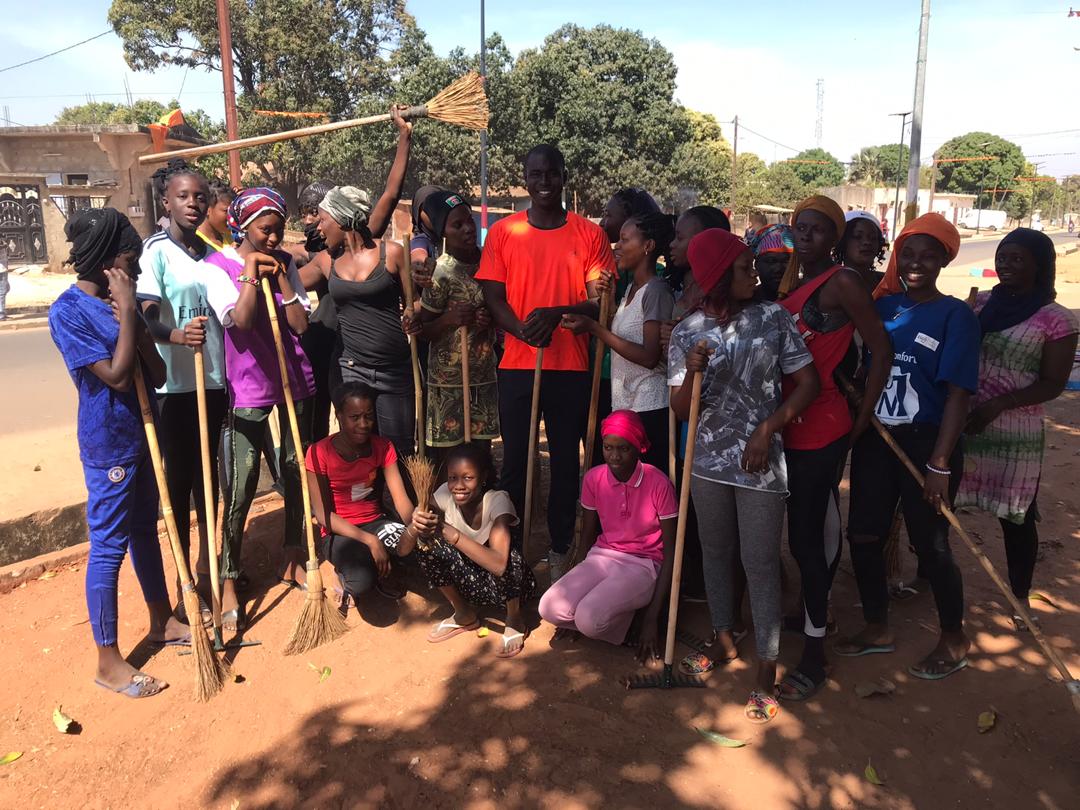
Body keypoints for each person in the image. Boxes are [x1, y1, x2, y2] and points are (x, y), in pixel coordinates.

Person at [668, 228, 818, 724]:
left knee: (759, 563)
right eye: (741, 266)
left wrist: (768, 428)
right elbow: (680, 410)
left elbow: (808, 383)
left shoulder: (773, 318)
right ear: (715, 276)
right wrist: (692, 373)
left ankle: (766, 671)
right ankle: (724, 637)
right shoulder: (687, 331)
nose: (753, 271)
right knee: (715, 552)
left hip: (760, 465)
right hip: (707, 463)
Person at [49, 207, 188, 698]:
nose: (137, 269)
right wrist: (128, 312)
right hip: (108, 444)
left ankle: (161, 621)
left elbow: (156, 375)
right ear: (107, 260)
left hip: (142, 434)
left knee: (145, 532)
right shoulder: (67, 312)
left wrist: (136, 322)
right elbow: (114, 374)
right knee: (109, 546)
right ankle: (108, 661)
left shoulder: (117, 300)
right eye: (130, 258)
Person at [837, 214, 981, 682]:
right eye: (909, 253)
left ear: (943, 259)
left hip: (927, 443)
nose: (917, 263)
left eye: (929, 254)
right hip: (879, 437)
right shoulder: (883, 307)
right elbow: (860, 362)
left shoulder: (955, 315)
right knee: (863, 533)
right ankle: (877, 625)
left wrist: (940, 463)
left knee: (932, 544)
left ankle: (953, 636)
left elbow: (959, 392)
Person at [772, 195, 892, 703]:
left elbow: (880, 349)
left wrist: (862, 417)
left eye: (819, 229)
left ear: (836, 237)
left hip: (822, 427)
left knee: (806, 536)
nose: (806, 235)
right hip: (787, 425)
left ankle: (816, 654)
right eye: (801, 227)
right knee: (799, 535)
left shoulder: (842, 282)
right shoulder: (792, 286)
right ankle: (810, 617)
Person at [477, 144, 614, 580]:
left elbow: (599, 303)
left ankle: (559, 548)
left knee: (564, 462)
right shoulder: (503, 232)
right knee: (515, 459)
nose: (543, 183)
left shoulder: (589, 235)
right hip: (518, 363)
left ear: (563, 177)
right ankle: (510, 549)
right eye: (535, 174)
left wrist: (555, 315)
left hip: (570, 366)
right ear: (525, 177)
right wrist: (521, 331)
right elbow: (493, 297)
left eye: (551, 174)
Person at [202, 187, 314, 630]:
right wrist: (250, 272)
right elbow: (243, 322)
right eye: (266, 230)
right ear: (243, 227)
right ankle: (228, 576)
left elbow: (300, 324)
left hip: (294, 383)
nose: (273, 238)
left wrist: (283, 277)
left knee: (293, 469)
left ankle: (292, 555)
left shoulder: (287, 264)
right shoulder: (217, 268)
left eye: (279, 230)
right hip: (247, 388)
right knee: (242, 481)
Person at [957, 229, 1079, 629]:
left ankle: (1020, 597)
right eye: (1002, 257)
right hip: (963, 423)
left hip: (1015, 434)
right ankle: (927, 575)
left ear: (1039, 264)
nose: (1007, 265)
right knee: (942, 502)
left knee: (1016, 518)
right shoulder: (981, 303)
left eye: (1017, 259)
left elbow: (1053, 382)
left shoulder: (1057, 320)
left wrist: (998, 404)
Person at [136, 163, 225, 622]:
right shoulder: (155, 253)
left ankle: (209, 572)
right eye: (184, 197)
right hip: (174, 388)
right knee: (178, 487)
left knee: (208, 487)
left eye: (199, 197)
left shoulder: (211, 251)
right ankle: (184, 584)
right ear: (167, 203)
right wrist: (176, 337)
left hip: (212, 383)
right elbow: (146, 317)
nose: (193, 204)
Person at [312, 107, 416, 454]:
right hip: (352, 369)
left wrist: (404, 136)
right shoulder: (326, 260)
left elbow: (390, 191)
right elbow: (289, 279)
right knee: (360, 452)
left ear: (342, 220)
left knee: (399, 449)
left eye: (323, 219)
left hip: (394, 371)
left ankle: (403, 509)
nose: (317, 226)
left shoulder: (392, 253)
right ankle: (367, 510)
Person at [538, 410, 678, 657]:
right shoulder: (594, 478)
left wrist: (651, 619)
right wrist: (572, 603)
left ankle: (631, 617)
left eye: (624, 448)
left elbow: (672, 552)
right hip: (602, 557)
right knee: (549, 608)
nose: (615, 456)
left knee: (589, 620)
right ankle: (603, 615)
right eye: (608, 447)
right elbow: (587, 537)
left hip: (643, 566)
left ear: (638, 447)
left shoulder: (658, 482)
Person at [562, 212, 675, 470]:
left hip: (649, 406)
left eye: (625, 240)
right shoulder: (630, 290)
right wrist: (611, 303)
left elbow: (649, 356)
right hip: (627, 403)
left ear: (648, 246)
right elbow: (624, 335)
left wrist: (594, 328)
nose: (617, 247)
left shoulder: (656, 291)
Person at [408, 443, 536, 656]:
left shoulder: (497, 501)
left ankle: (514, 619)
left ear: (484, 477)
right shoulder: (442, 496)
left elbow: (498, 565)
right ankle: (463, 613)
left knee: (509, 557)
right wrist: (415, 523)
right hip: (470, 586)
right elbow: (404, 549)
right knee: (426, 544)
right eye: (452, 478)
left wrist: (450, 532)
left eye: (468, 478)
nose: (459, 485)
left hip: (510, 588)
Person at [306, 382, 419, 607]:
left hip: (376, 522)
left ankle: (382, 564)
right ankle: (347, 571)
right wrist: (370, 541)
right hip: (340, 533)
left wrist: (415, 526)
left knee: (417, 552)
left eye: (368, 416)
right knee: (361, 581)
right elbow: (322, 515)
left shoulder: (383, 447)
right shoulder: (318, 453)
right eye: (354, 417)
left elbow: (401, 499)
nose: (363, 424)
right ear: (339, 416)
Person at [409, 191, 498, 456]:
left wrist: (488, 319)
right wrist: (449, 319)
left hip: (482, 378)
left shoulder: (491, 263)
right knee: (446, 457)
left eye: (469, 220)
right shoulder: (441, 272)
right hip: (448, 383)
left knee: (480, 455)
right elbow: (422, 329)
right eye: (457, 225)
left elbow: (500, 309)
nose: (468, 228)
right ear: (443, 232)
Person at [296, 179, 339, 442]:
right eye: (305, 213)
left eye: (315, 212)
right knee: (316, 413)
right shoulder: (311, 251)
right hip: (321, 340)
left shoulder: (335, 251)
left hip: (345, 341)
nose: (309, 220)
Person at [836, 211, 888, 291]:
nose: (867, 242)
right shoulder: (830, 284)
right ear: (843, 241)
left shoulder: (887, 283)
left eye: (873, 237)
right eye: (858, 236)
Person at [748, 223, 794, 302]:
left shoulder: (808, 299)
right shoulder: (745, 302)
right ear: (756, 264)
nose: (778, 268)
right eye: (770, 261)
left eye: (787, 261)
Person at [197, 181, 237, 253]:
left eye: (233, 211)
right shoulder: (196, 244)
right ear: (207, 209)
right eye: (226, 211)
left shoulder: (229, 236)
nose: (232, 216)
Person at [0, 239, 9, 320]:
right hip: (1, 269)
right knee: (2, 291)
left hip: (3, 268)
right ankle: (1, 313)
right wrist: (4, 245)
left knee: (6, 288)